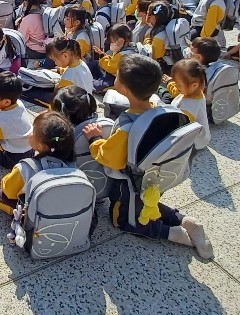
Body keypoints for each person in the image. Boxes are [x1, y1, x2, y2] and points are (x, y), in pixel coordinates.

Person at [81, 55, 212, 257]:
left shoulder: (127, 126)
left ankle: (174, 233)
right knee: (146, 204)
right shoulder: (163, 111)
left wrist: (95, 139)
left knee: (123, 220)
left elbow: (110, 158)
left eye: (117, 75)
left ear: (124, 89)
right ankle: (185, 221)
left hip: (129, 184)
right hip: (156, 177)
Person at [0, 111, 77, 215]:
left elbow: (8, 191)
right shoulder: (73, 163)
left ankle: (22, 218)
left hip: (39, 215)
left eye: (33, 131)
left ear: (41, 146)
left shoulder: (25, 168)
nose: (30, 134)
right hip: (64, 209)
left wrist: (5, 181)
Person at [165, 59, 211, 150]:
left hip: (194, 142)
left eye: (179, 85)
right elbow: (178, 93)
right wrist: (170, 83)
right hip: (202, 136)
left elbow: (181, 129)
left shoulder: (188, 107)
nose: (176, 87)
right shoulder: (195, 91)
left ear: (194, 85)